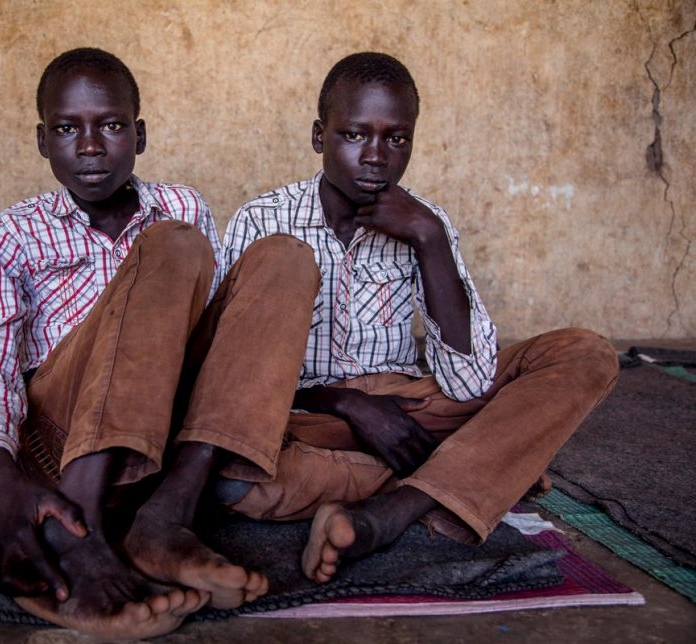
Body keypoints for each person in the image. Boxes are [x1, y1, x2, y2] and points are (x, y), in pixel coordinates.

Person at [0, 47, 321, 638]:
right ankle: (78, 530)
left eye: (112, 126)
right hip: (62, 447)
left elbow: (217, 344)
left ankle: (168, 514)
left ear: (138, 135)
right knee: (173, 244)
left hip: (160, 444)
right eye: (68, 128)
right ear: (43, 141)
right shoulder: (11, 233)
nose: (90, 146)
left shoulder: (183, 206)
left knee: (287, 257)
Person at [220, 52, 620, 585]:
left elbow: (467, 380)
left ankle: (392, 509)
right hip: (304, 416)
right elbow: (225, 376)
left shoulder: (425, 222)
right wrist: (347, 402)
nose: (376, 157)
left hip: (413, 408)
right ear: (320, 137)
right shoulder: (261, 219)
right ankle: (477, 469)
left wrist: (429, 241)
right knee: (229, 477)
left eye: (397, 139)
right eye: (355, 135)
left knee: (583, 354)